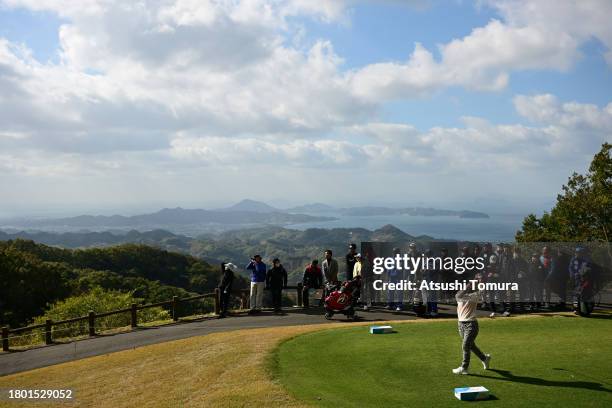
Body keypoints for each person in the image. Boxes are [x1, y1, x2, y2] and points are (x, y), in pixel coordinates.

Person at [452, 288, 491, 375]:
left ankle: (464, 367)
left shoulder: (475, 295)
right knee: (471, 346)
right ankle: (484, 358)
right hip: (461, 324)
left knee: (465, 345)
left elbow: (483, 290)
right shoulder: (459, 295)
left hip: (471, 324)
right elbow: (458, 295)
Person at [386, 247, 404, 311]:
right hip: (391, 278)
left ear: (398, 252)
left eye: (395, 252)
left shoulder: (401, 259)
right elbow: (388, 268)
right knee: (390, 292)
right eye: (394, 252)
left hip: (398, 278)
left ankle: (399, 305)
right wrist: (388, 276)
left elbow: (400, 269)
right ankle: (390, 304)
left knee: (399, 293)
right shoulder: (391, 259)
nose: (394, 253)